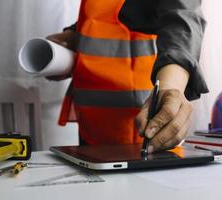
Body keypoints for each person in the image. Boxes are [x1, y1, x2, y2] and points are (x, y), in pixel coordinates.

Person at [46, 0, 208, 153]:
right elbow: (113, 15)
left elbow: (181, 23)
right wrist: (74, 35)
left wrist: (171, 88)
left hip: (141, 137)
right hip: (90, 132)